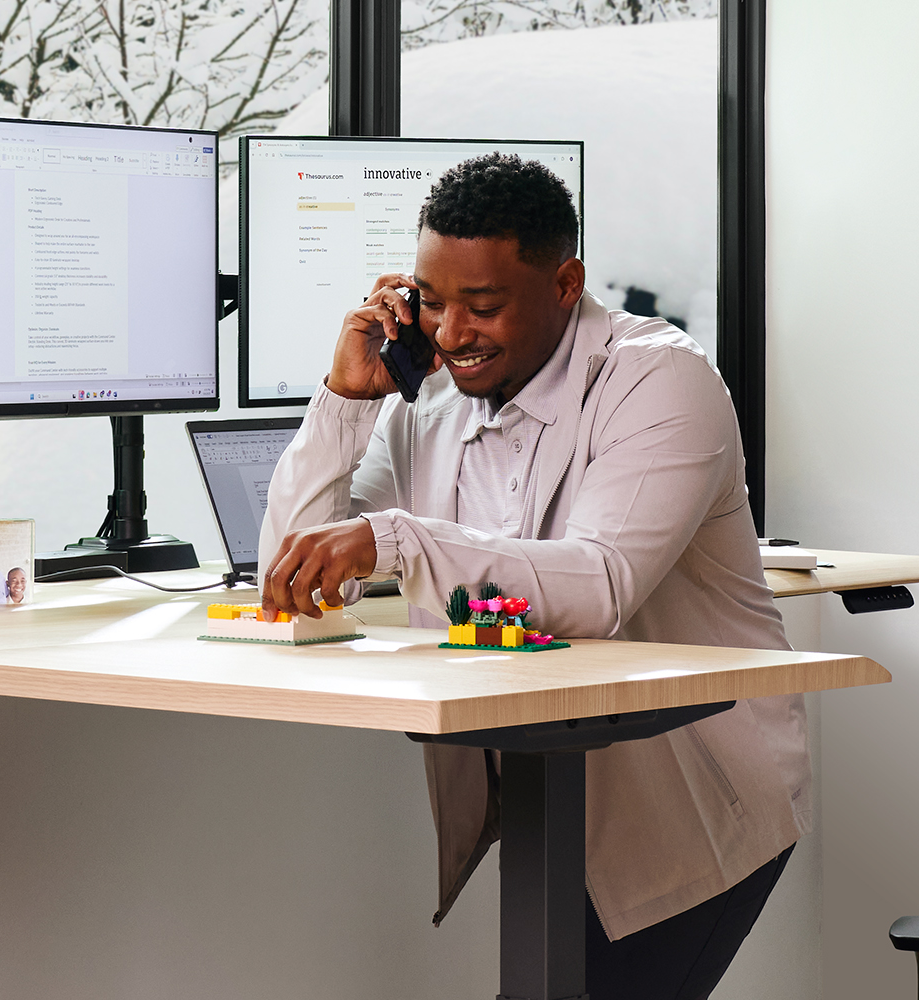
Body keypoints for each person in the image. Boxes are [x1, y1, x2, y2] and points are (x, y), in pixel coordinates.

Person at [258, 153, 803, 1000]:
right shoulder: (430, 405)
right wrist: (344, 402)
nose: (448, 335)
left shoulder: (660, 380)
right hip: (553, 780)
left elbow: (599, 585)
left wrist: (397, 540)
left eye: (483, 307)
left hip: (688, 793)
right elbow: (295, 570)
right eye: (431, 303)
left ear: (564, 284)